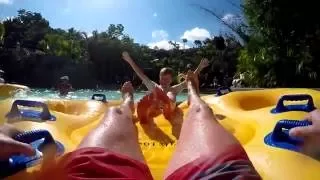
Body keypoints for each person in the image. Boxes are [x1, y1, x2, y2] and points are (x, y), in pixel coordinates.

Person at [33, 72, 261, 180]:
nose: (164, 79)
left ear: (169, 79)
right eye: (162, 77)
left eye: (166, 77)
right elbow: (144, 76)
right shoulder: (155, 86)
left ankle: (128, 103)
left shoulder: (172, 88)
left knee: (117, 112)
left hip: (96, 173)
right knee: (201, 112)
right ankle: (192, 98)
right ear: (160, 79)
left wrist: (195, 72)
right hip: (214, 173)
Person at [122, 51, 209, 130]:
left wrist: (200, 67)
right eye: (163, 79)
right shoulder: (155, 86)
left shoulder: (174, 89)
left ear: (171, 80)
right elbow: (141, 74)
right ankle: (146, 112)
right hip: (157, 107)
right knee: (156, 94)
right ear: (159, 78)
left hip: (168, 107)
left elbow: (190, 80)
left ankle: (167, 102)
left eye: (167, 79)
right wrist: (129, 60)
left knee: (170, 94)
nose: (164, 81)